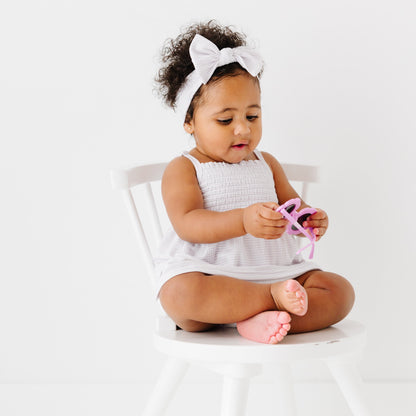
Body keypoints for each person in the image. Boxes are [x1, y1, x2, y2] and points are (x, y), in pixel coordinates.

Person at [153, 20, 355, 344]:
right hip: (211, 275)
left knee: (339, 292)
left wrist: (307, 219)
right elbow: (187, 223)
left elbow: (292, 209)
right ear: (189, 122)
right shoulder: (184, 168)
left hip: (276, 271)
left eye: (252, 116)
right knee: (178, 294)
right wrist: (244, 220)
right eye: (225, 120)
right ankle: (267, 303)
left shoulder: (266, 163)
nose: (243, 130)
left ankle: (259, 314)